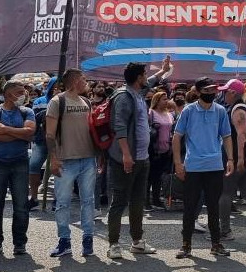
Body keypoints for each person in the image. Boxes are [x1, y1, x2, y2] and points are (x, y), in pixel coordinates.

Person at [172, 78, 234, 259]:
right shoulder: (189, 111)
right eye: (207, 90)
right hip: (193, 165)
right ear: (198, 92)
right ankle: (186, 245)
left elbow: (227, 136)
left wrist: (230, 158)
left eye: (214, 90)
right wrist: (178, 163)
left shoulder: (220, 110)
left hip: (215, 165)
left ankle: (216, 244)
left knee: (213, 206)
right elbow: (177, 137)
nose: (212, 93)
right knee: (190, 207)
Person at [106, 62, 160, 259]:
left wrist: (163, 69)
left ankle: (137, 242)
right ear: (138, 77)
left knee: (138, 201)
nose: (147, 77)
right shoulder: (124, 97)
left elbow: (152, 82)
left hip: (142, 158)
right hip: (125, 160)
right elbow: (119, 126)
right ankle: (113, 244)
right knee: (119, 201)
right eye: (145, 74)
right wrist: (126, 155)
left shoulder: (138, 93)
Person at [46, 69, 97, 258]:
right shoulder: (57, 101)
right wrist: (53, 158)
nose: (86, 82)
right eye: (84, 79)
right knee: (63, 203)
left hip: (88, 158)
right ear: (75, 81)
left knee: (88, 201)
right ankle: (64, 241)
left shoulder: (87, 102)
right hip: (65, 160)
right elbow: (50, 134)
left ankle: (88, 239)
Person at [0, 81, 35, 256]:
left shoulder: (28, 111)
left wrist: (6, 129)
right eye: (19, 91)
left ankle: (20, 243)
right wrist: (19, 133)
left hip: (20, 162)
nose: (23, 94)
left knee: (21, 205)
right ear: (8, 93)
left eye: (24, 91)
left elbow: (30, 133)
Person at [217, 79, 246, 242]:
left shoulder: (237, 109)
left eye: (225, 91)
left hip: (238, 157)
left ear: (232, 93)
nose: (222, 95)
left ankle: (224, 230)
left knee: (226, 193)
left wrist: (238, 159)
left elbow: (241, 135)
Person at [28, 76, 59, 210]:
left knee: (58, 170)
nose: (58, 89)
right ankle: (34, 198)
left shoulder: (67, 100)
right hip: (41, 140)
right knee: (33, 166)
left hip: (59, 142)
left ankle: (58, 200)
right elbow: (35, 118)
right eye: (56, 86)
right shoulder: (40, 101)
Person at [147, 91, 174, 209]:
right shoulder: (151, 113)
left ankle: (156, 199)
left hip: (166, 149)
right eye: (164, 99)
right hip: (154, 149)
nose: (166, 101)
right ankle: (146, 200)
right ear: (157, 101)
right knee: (149, 176)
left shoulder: (169, 114)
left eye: (167, 98)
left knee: (158, 176)